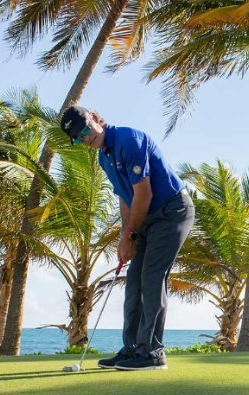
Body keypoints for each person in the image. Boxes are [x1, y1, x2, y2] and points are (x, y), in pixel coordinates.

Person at [60, 106, 194, 370]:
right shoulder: (103, 158)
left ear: (97, 118)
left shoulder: (128, 140)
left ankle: (153, 353)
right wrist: (126, 236)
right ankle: (132, 349)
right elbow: (126, 198)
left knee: (152, 276)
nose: (84, 138)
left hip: (172, 211)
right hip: (147, 217)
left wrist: (131, 234)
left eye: (85, 130)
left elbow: (144, 194)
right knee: (133, 280)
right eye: (77, 138)